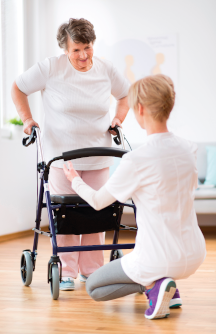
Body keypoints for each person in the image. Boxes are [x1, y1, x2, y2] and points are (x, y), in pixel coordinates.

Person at [63, 74, 206, 320]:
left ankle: (155, 285)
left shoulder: (137, 160)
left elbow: (98, 202)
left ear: (139, 109)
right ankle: (169, 288)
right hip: (194, 252)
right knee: (148, 265)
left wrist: (74, 179)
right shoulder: (190, 149)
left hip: (156, 258)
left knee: (93, 287)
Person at [12, 18, 130, 291]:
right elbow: (17, 88)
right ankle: (65, 271)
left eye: (87, 47)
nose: (83, 55)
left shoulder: (105, 69)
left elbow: (125, 95)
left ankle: (93, 270)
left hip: (98, 155)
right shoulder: (51, 68)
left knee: (96, 211)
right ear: (65, 48)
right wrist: (27, 120)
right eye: (76, 49)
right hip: (61, 158)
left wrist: (118, 119)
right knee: (65, 215)